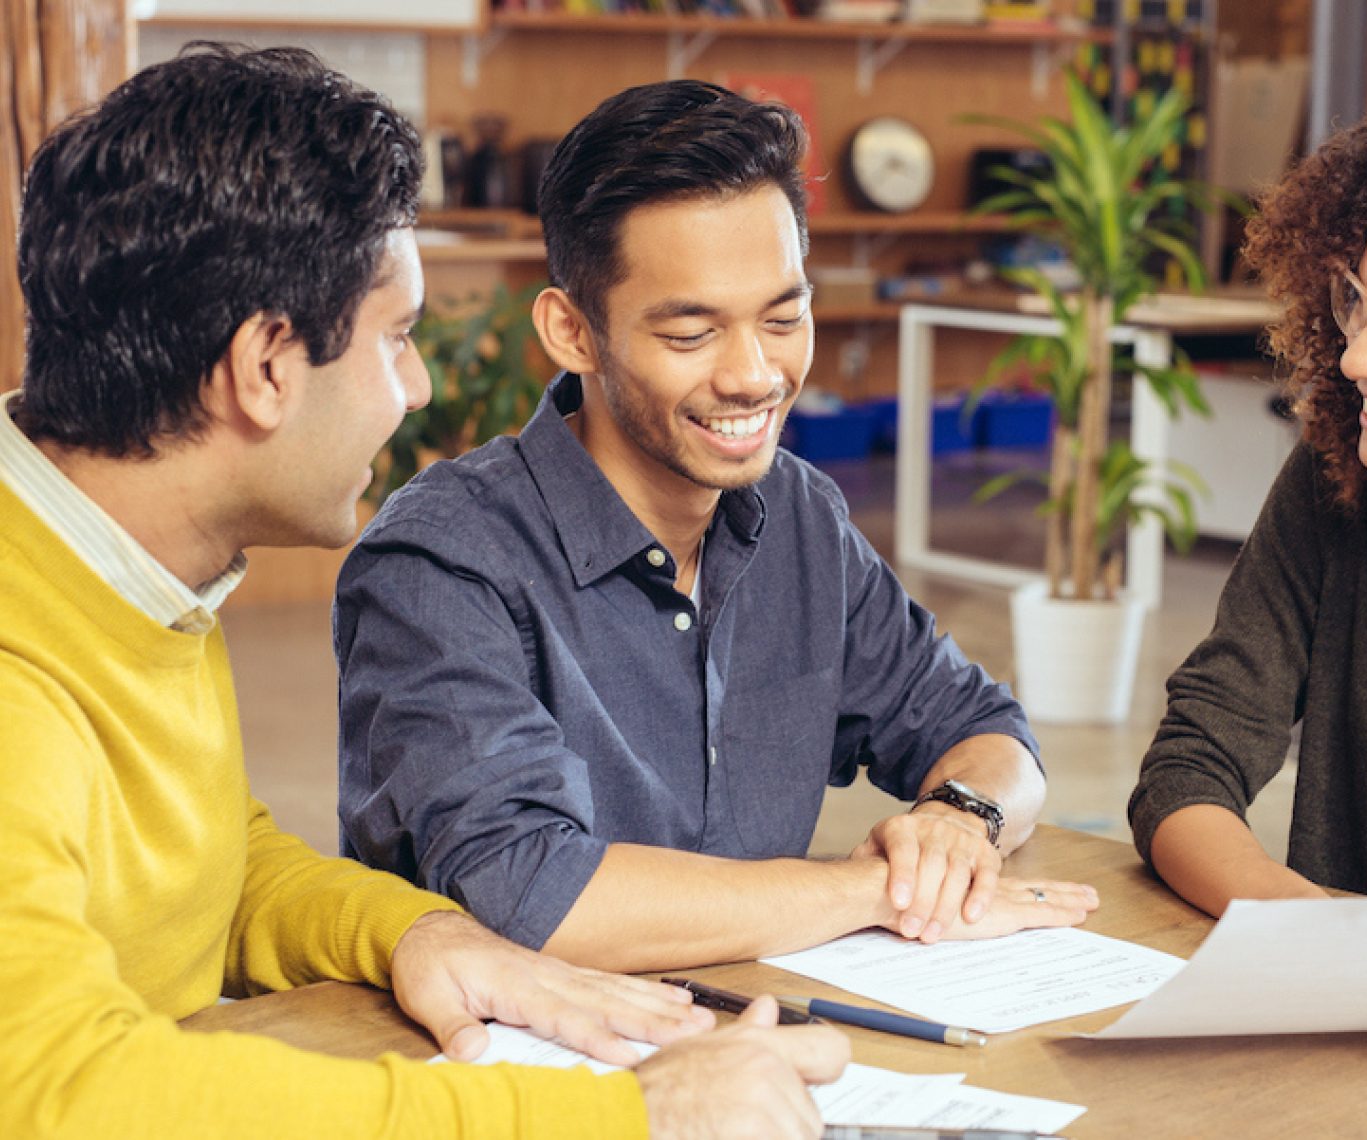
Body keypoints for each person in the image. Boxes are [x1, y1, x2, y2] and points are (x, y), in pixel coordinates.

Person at [0, 44, 853, 1139]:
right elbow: (50, 1095)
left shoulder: (117, 557)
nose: (420, 387)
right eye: (396, 338)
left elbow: (203, 865)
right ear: (266, 366)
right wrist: (617, 1119)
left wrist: (416, 935)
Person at [335, 79, 1098, 972]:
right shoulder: (443, 561)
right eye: (692, 335)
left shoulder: (802, 515)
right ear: (573, 332)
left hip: (755, 1046)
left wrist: (957, 822)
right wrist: (872, 890)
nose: (754, 375)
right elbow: (530, 892)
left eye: (784, 318)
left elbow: (990, 731)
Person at [1127, 73, 1367, 1040]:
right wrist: (1300, 922)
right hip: (1361, 1041)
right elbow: (1189, 766)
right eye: (1358, 306)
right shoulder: (1341, 481)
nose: (1357, 361)